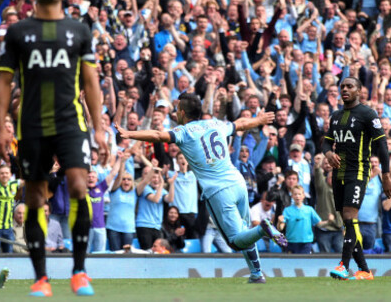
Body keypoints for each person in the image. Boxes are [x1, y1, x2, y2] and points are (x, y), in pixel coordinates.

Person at [0, 0, 108, 297]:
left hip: (72, 124)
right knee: (34, 197)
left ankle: (79, 271)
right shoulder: (17, 32)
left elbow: (91, 82)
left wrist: (99, 128)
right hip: (31, 126)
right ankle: (41, 278)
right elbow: (3, 81)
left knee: (77, 184)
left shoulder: (79, 30)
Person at [116, 93, 287, 283]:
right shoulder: (214, 123)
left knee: (235, 241)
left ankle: (264, 229)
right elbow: (241, 123)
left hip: (218, 191)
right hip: (238, 182)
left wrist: (129, 134)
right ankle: (256, 274)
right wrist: (259, 119)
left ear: (181, 112)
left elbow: (157, 135)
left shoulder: (183, 132)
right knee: (245, 231)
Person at [322, 77, 391, 280]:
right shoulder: (336, 116)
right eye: (342, 86)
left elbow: (382, 145)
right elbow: (326, 143)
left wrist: (385, 176)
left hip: (359, 172)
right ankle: (364, 270)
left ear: (359, 90)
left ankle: (344, 266)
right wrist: (328, 154)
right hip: (339, 174)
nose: (345, 89)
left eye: (349, 86)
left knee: (349, 216)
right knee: (348, 222)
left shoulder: (368, 114)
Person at [278, 185, 332, 254]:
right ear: (292, 196)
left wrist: (328, 222)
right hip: (291, 243)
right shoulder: (287, 210)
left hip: (306, 243)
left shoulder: (309, 210)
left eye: (299, 194)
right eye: (295, 194)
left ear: (303, 195)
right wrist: (279, 222)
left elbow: (319, 224)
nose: (297, 196)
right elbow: (280, 227)